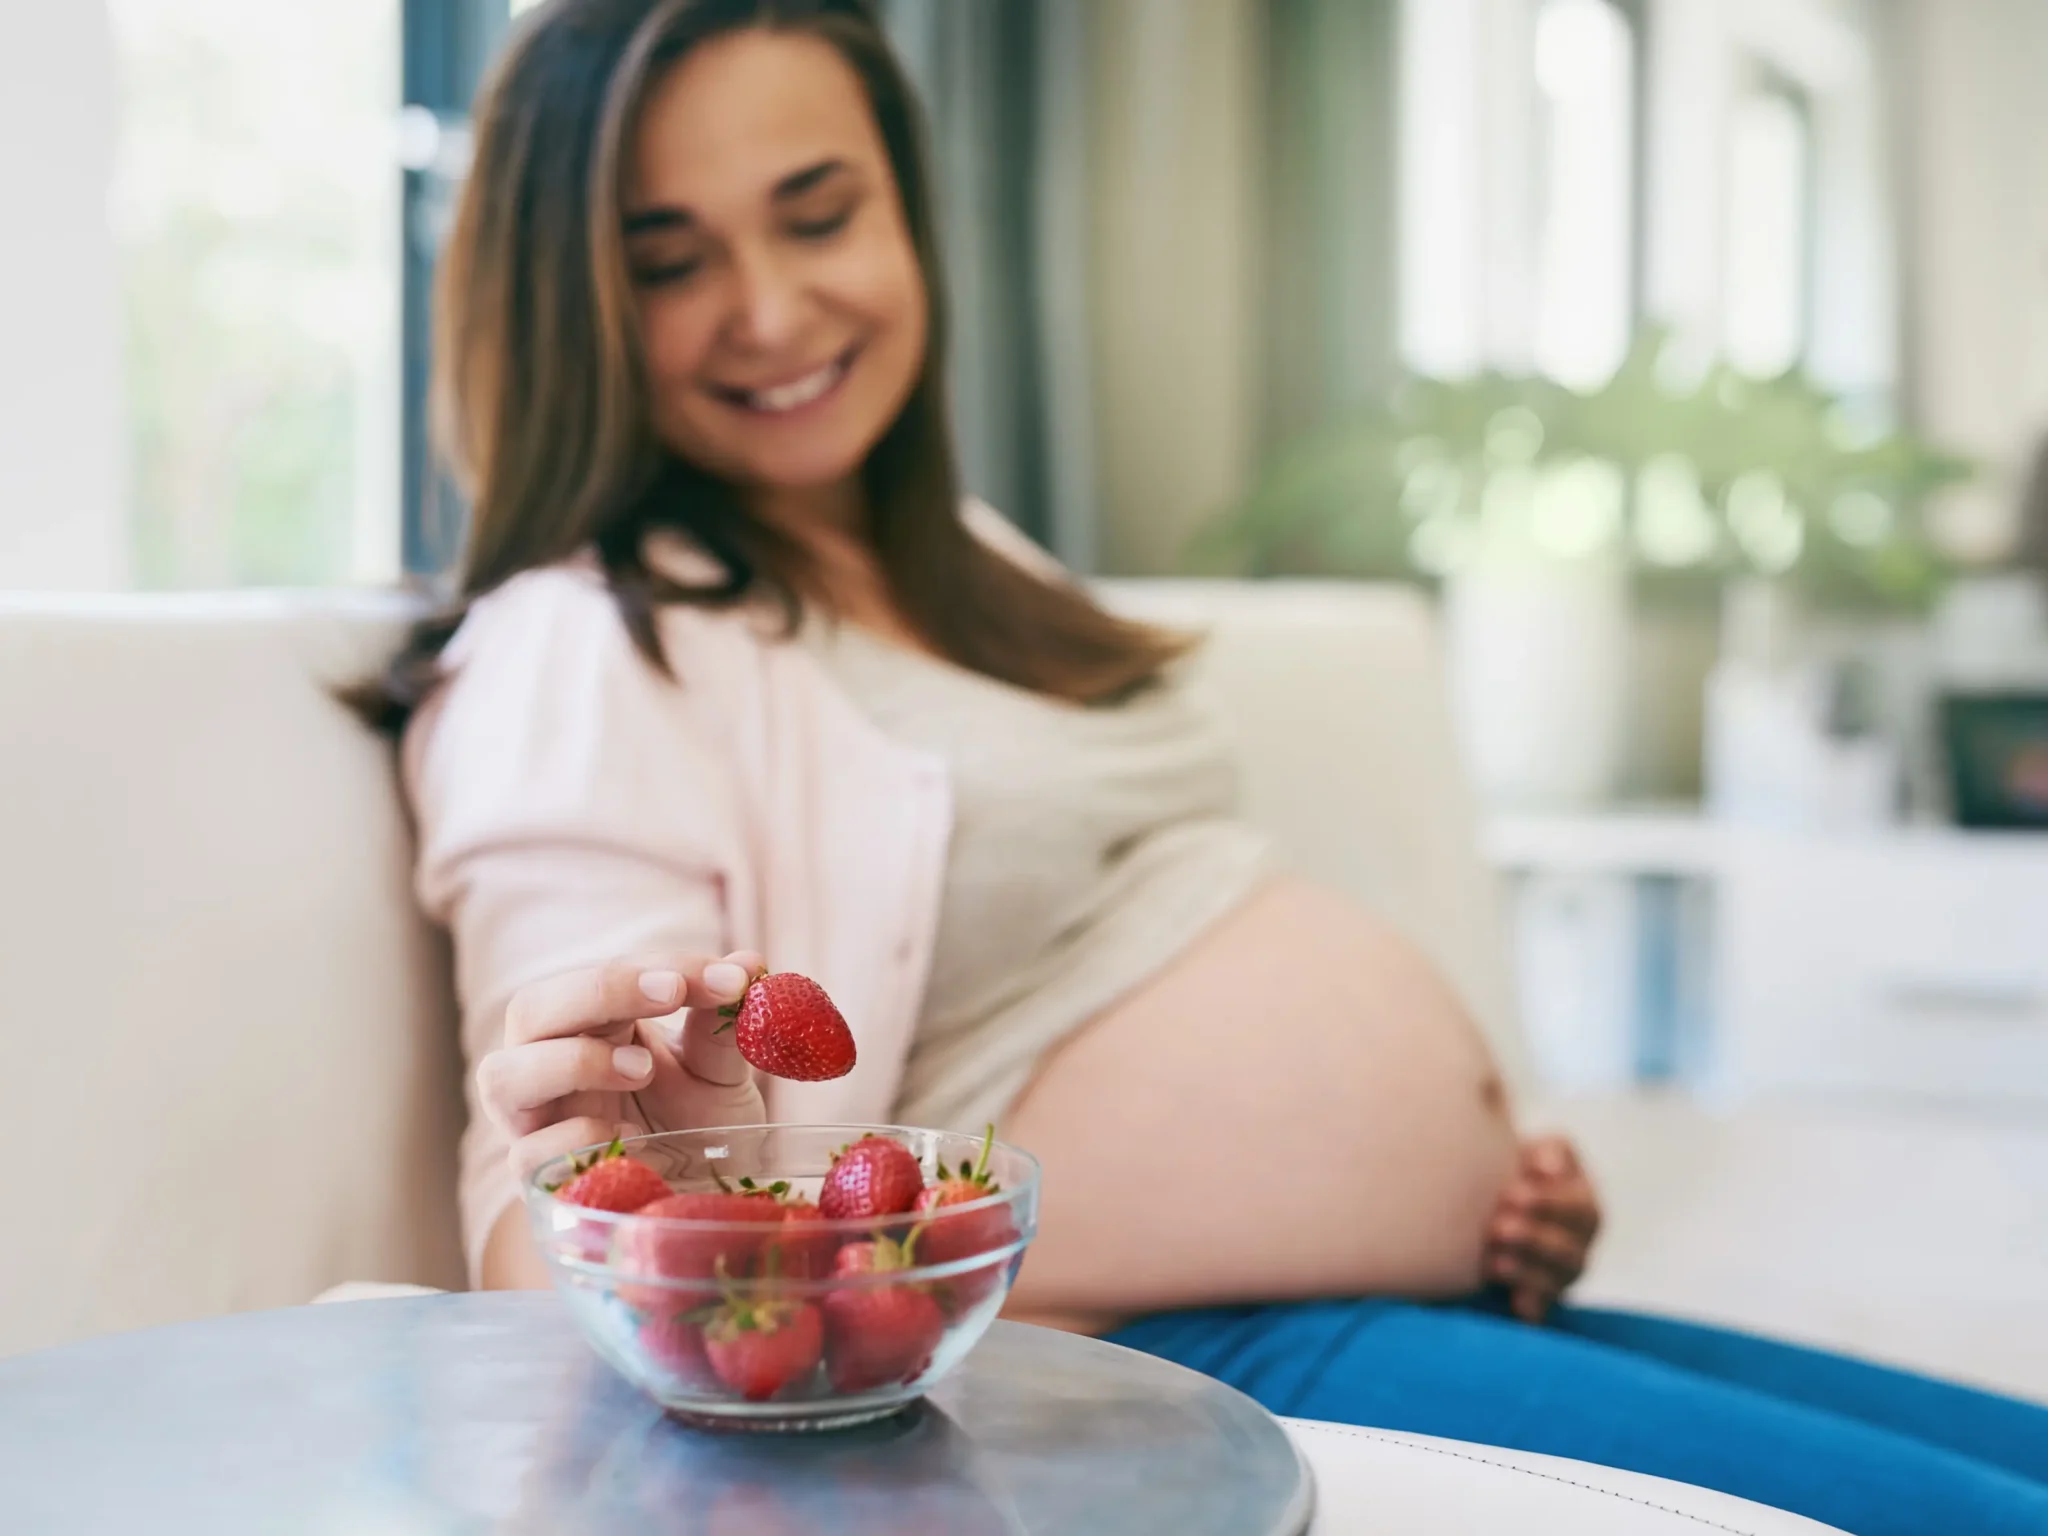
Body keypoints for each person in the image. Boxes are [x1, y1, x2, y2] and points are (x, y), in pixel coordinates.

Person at [353, 2, 2048, 1528]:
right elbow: (541, 1255)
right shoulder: (580, 643)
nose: (774, 307)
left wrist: (1464, 1180)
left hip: (1396, 1301)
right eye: (669, 261)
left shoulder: (974, 566)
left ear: (907, 213)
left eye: (820, 214)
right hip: (1173, 1361)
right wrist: (669, 1177)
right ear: (569, 303)